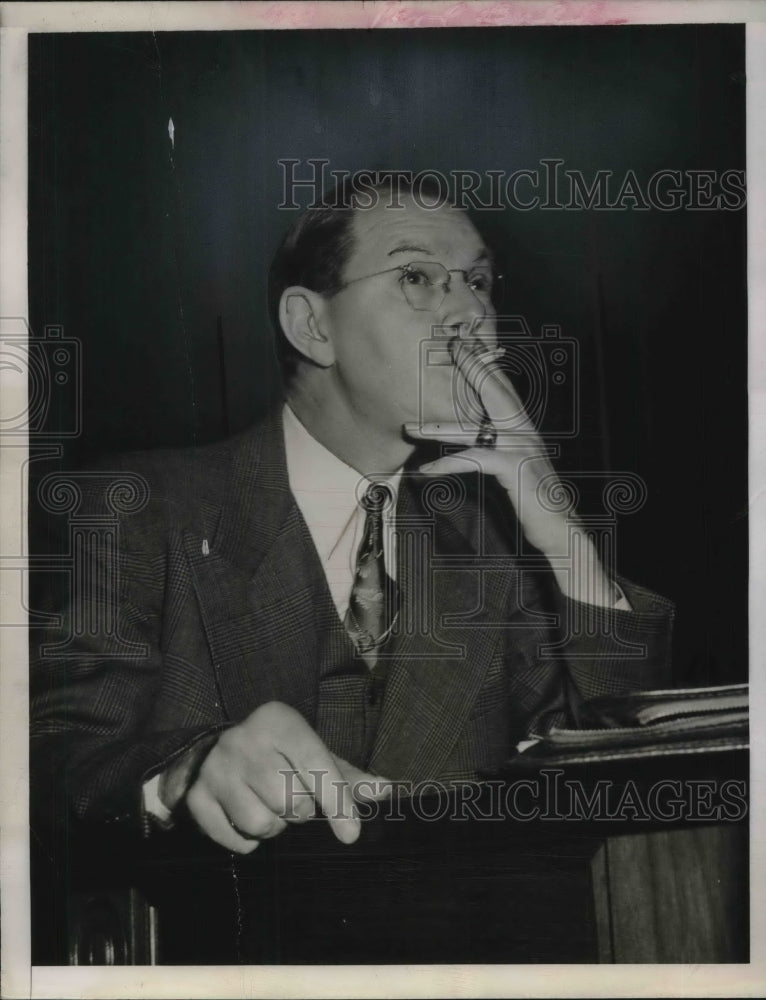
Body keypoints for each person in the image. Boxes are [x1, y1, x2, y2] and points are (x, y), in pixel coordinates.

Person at [31, 178, 674, 857]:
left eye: (479, 281)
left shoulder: (497, 550)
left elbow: (630, 783)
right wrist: (185, 769)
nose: (470, 315)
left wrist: (563, 534)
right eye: (419, 276)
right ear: (312, 325)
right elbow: (49, 763)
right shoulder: (133, 509)